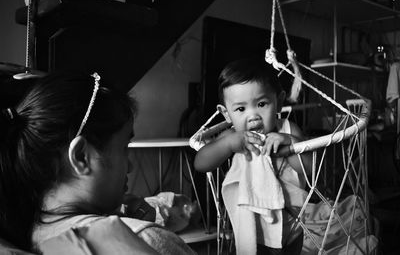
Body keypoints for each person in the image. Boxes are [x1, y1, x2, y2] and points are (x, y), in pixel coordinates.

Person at [0, 72, 195, 254]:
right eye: (124, 147)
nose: (131, 166)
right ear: (81, 157)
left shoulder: (26, 236)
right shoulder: (143, 240)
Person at [194, 58, 312, 255]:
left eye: (262, 103)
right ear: (226, 114)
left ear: (280, 101)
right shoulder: (232, 136)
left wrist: (289, 143)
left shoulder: (288, 129)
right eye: (241, 109)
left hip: (292, 225)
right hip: (251, 227)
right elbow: (200, 164)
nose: (253, 116)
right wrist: (228, 145)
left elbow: (309, 169)